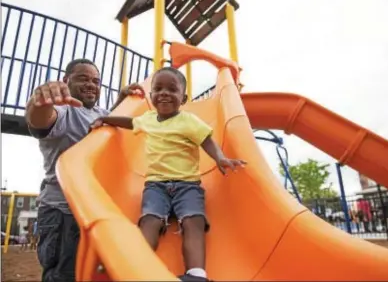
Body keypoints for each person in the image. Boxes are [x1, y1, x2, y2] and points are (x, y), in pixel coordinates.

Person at [90, 66, 247, 282]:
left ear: (183, 98)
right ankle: (139, 268)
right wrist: (108, 119)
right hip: (155, 185)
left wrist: (220, 158)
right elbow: (128, 122)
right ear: (151, 95)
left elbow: (206, 140)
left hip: (188, 185)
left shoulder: (189, 121)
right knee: (149, 220)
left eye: (171, 89)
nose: (164, 93)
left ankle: (197, 274)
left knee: (194, 221)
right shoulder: (147, 119)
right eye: (158, 89)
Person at [25, 58, 144, 282]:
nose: (91, 84)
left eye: (96, 81)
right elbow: (40, 122)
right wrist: (38, 102)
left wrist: (121, 99)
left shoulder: (100, 111)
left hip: (97, 211)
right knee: (65, 276)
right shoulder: (63, 110)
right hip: (64, 213)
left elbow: (105, 126)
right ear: (66, 80)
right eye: (83, 78)